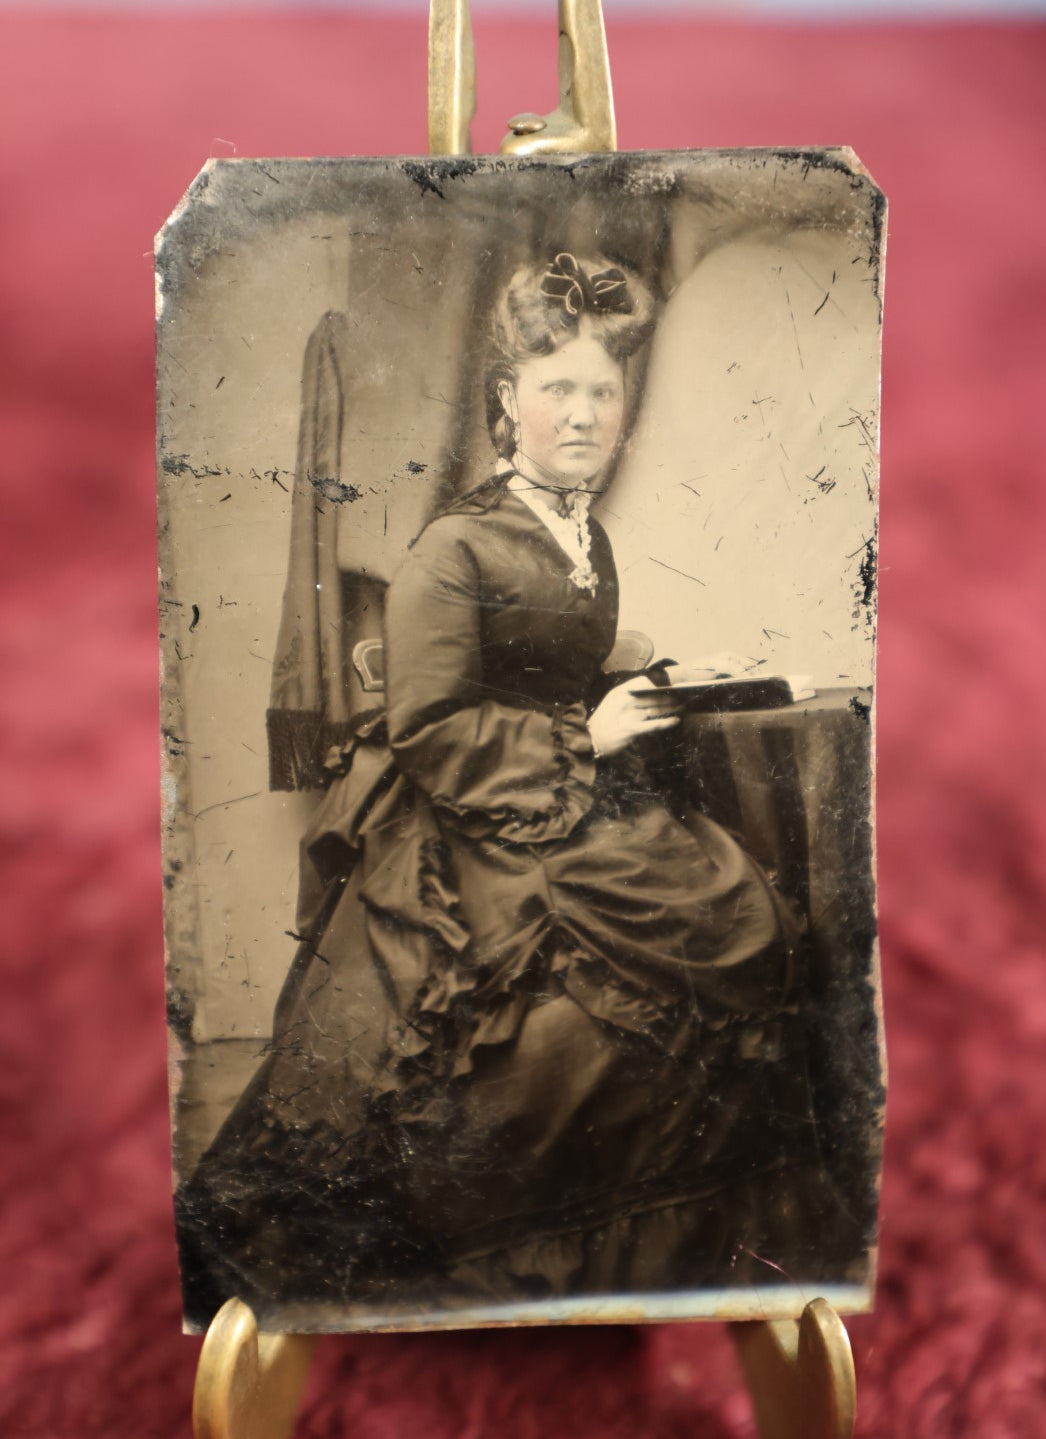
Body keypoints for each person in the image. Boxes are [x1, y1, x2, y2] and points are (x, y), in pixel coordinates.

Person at [176, 251, 817, 1326]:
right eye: (555, 388)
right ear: (506, 404)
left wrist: (630, 686)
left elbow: (545, 667)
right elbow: (430, 720)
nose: (581, 414)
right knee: (538, 1041)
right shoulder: (454, 543)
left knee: (739, 917)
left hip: (570, 796)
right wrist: (585, 736)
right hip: (473, 820)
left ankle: (671, 1260)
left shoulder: (586, 538)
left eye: (601, 391)